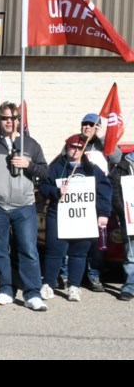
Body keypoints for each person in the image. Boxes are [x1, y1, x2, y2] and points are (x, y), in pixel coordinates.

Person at [0, 102, 49, 311]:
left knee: (28, 250)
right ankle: (6, 289)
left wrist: (28, 165)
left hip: (24, 205)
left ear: (19, 121)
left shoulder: (30, 144)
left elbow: (45, 172)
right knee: (0, 251)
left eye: (13, 118)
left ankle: (32, 293)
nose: (9, 122)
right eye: (4, 118)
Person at [39, 134, 111, 302]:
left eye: (80, 148)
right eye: (73, 147)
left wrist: (103, 214)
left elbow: (104, 191)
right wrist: (56, 192)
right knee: (54, 252)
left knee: (79, 253)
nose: (76, 150)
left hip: (83, 216)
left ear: (84, 149)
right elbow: (42, 186)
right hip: (58, 215)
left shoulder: (92, 169)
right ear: (67, 147)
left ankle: (74, 286)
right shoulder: (56, 167)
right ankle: (48, 284)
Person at [77, 112, 120, 293]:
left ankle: (94, 275)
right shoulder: (74, 143)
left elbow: (117, 158)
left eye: (91, 124)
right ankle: (73, 276)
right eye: (84, 123)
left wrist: (103, 137)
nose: (87, 126)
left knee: (96, 242)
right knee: (76, 240)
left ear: (98, 127)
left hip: (98, 201)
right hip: (78, 201)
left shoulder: (105, 145)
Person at [110, 151, 134, 301]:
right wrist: (123, 211)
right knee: (131, 255)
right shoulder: (122, 166)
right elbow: (115, 191)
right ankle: (130, 286)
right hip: (130, 216)